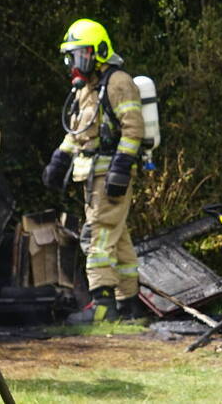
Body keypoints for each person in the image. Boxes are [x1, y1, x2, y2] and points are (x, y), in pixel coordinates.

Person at [42, 19, 145, 322]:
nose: (74, 64)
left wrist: (121, 168)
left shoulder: (118, 83)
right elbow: (77, 132)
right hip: (91, 176)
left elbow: (133, 129)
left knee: (96, 236)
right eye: (71, 57)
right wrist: (59, 160)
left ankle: (102, 305)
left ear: (98, 52)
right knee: (118, 238)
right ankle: (128, 305)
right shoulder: (86, 90)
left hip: (109, 175)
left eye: (79, 55)